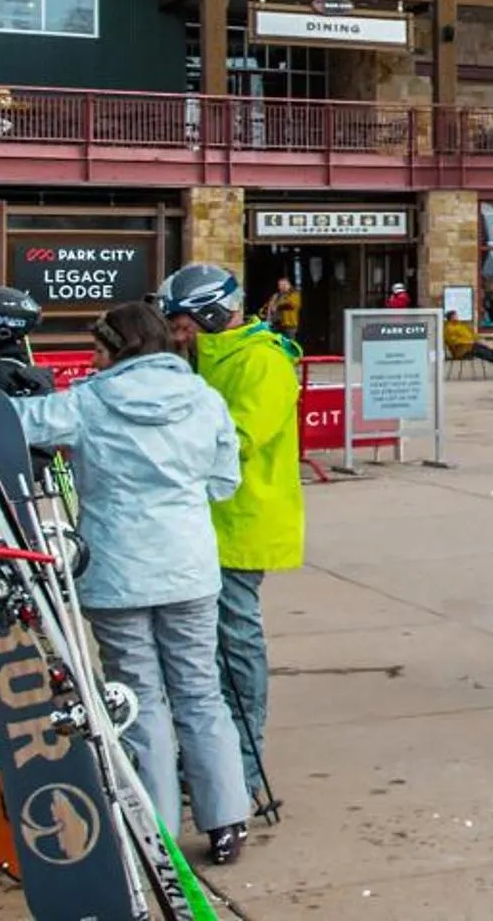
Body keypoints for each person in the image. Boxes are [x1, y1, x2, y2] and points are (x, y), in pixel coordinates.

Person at [19, 302, 252, 865]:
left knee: (138, 697)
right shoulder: (205, 398)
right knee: (201, 691)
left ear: (118, 349)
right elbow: (224, 482)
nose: (93, 360)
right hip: (190, 566)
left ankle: (157, 826)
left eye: (99, 349)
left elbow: (11, 421)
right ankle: (227, 818)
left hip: (118, 569)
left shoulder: (88, 402)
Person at [156, 264, 302, 826]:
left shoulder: (262, 361)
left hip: (241, 523)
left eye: (183, 323)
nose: (177, 333)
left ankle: (240, 765)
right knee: (198, 654)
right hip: (197, 523)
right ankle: (206, 760)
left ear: (214, 316)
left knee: (234, 643)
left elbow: (237, 439)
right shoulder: (200, 359)